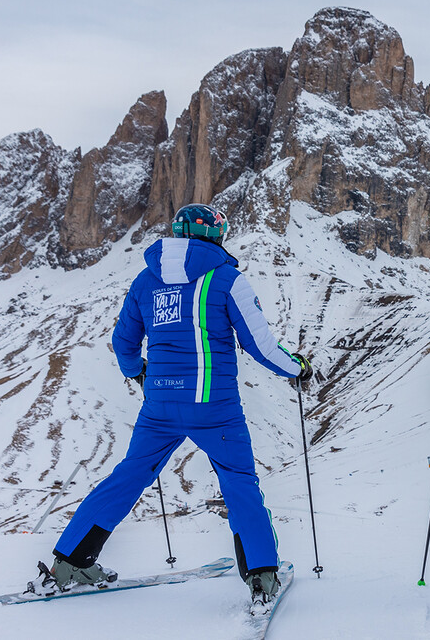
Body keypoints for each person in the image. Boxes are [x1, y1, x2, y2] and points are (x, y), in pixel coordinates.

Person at [38, 203, 313, 612]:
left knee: (129, 475)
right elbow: (261, 345)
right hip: (214, 407)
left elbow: (123, 344)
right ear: (216, 236)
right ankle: (261, 574)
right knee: (238, 482)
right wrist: (299, 369)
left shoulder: (145, 282)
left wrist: (139, 374)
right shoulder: (227, 280)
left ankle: (70, 563)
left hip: (160, 405)